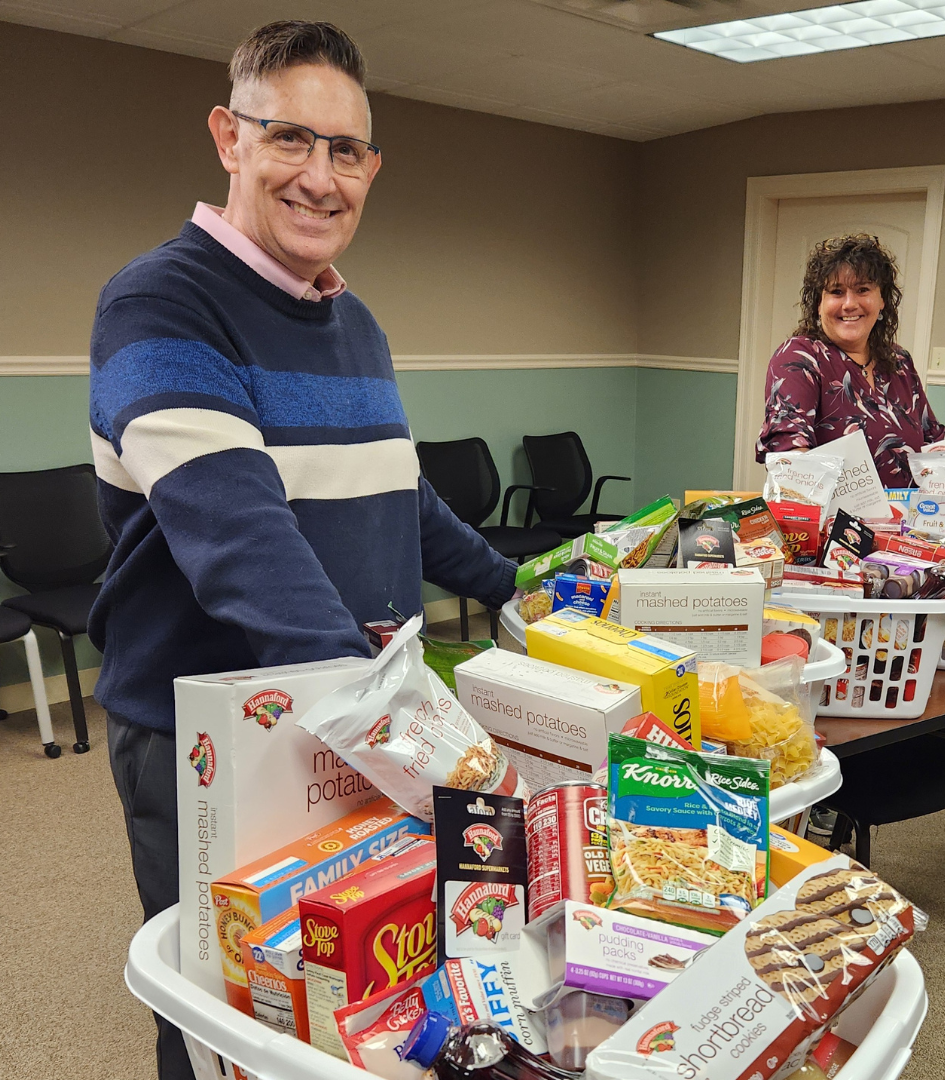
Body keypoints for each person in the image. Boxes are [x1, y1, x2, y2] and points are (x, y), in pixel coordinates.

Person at [88, 22, 517, 1080]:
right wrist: (403, 728)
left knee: (349, 999)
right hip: (220, 739)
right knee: (228, 1012)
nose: (322, 178)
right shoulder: (160, 301)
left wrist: (531, 592)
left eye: (349, 152)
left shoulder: (355, 322)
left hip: (353, 717)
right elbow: (242, 544)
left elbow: (403, 505)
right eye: (291, 141)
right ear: (229, 137)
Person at [755, 233, 945, 488]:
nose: (849, 304)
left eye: (862, 290)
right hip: (833, 525)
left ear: (882, 301)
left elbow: (935, 442)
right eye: (836, 292)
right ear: (818, 305)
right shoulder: (800, 358)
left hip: (908, 522)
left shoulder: (899, 362)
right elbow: (790, 456)